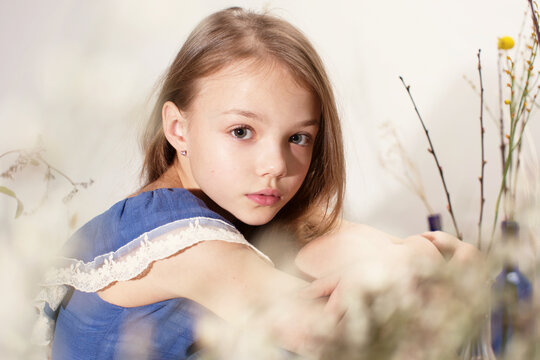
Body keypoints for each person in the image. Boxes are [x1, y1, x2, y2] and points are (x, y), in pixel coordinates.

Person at [33, 7, 476, 359]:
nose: (275, 165)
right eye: (242, 131)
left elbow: (472, 271)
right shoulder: (190, 247)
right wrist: (422, 252)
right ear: (178, 128)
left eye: (298, 138)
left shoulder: (227, 210)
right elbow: (354, 337)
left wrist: (413, 261)